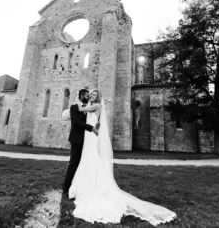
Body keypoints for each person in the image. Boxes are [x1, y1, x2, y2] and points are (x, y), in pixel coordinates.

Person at [68, 89, 176, 226]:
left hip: (90, 135)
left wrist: (77, 97)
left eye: (94, 95)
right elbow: (92, 119)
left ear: (98, 97)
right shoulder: (95, 106)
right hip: (89, 135)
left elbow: (80, 108)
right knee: (88, 158)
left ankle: (91, 186)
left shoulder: (96, 106)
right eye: (91, 94)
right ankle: (85, 184)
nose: (91, 96)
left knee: (91, 158)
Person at [62, 89, 99, 197]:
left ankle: (78, 185)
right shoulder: (74, 107)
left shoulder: (86, 109)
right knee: (73, 163)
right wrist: (91, 128)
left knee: (82, 163)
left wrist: (96, 125)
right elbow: (76, 123)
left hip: (86, 140)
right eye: (86, 95)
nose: (88, 97)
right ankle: (66, 187)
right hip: (76, 139)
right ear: (81, 95)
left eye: (89, 95)